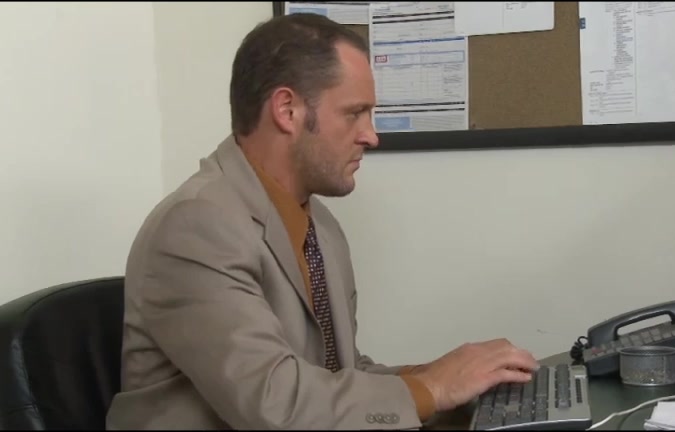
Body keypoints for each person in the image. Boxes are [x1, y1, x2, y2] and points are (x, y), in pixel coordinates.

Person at [105, 12, 539, 430]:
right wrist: (433, 388)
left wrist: (457, 386)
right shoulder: (196, 225)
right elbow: (275, 403)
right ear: (287, 110)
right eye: (354, 113)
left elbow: (338, 377)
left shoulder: (321, 227)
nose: (371, 135)